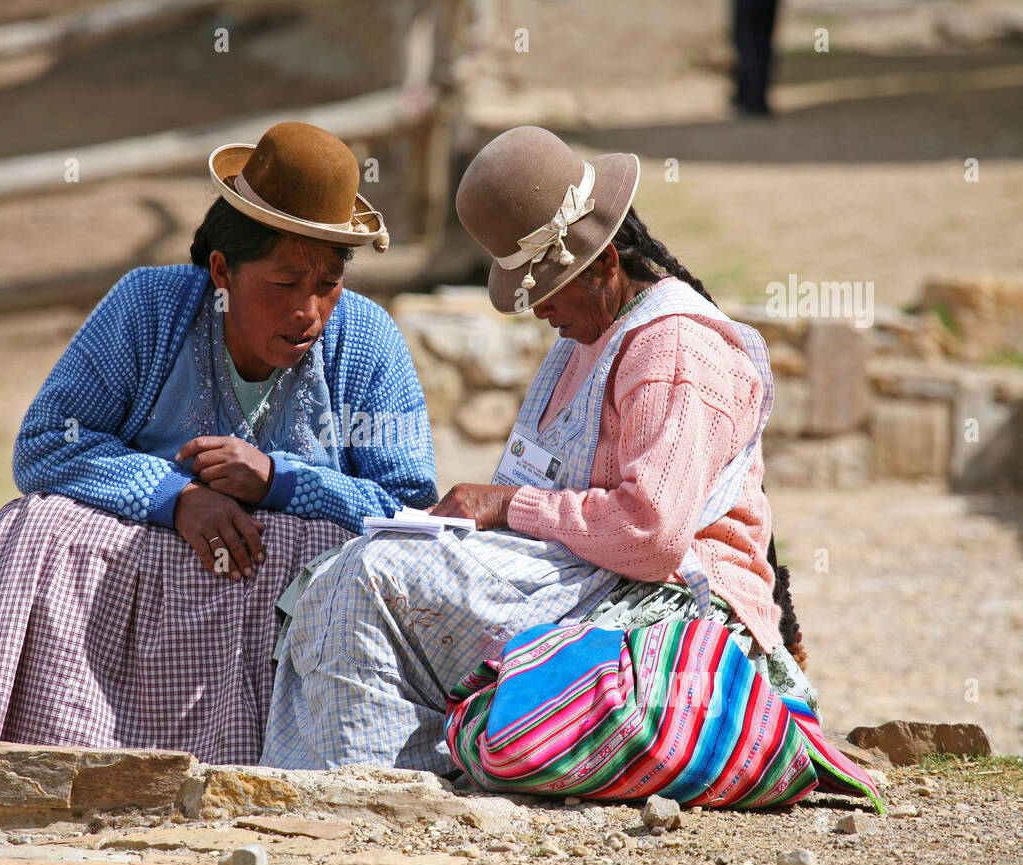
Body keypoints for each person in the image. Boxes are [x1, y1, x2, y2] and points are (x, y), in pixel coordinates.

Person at [261, 127, 878, 811]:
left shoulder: (675, 348)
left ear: (607, 262)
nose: (540, 307)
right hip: (591, 577)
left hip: (669, 604)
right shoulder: (586, 339)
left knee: (375, 580)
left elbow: (651, 534)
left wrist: (505, 507)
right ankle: (372, 782)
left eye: (548, 287)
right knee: (344, 568)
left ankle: (374, 796)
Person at [0, 121, 437, 764]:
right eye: (284, 284)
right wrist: (174, 499)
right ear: (223, 270)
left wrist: (281, 481)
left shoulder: (367, 340)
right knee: (44, 525)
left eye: (328, 283)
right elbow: (45, 444)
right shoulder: (148, 308)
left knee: (318, 544)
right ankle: (50, 760)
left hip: (273, 613)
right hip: (125, 597)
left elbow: (408, 508)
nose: (309, 311)